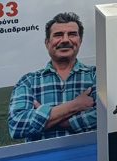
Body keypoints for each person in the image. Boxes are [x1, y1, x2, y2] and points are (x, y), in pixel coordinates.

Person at [8, 12, 96, 142]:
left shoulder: (96, 75)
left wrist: (46, 118)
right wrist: (75, 105)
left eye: (72, 34)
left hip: (91, 153)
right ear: (47, 43)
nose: (65, 40)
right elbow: (16, 125)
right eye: (58, 35)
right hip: (43, 155)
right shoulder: (28, 81)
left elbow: (104, 116)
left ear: (80, 41)